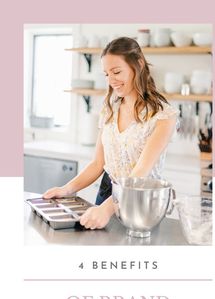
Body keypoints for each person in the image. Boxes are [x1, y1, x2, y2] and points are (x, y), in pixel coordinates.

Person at [43, 37, 178, 229]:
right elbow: (98, 163)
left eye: (116, 72)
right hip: (108, 192)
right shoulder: (110, 109)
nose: (111, 80)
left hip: (141, 200)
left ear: (138, 65)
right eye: (106, 74)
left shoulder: (163, 116)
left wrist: (106, 210)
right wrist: (66, 189)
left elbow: (140, 173)